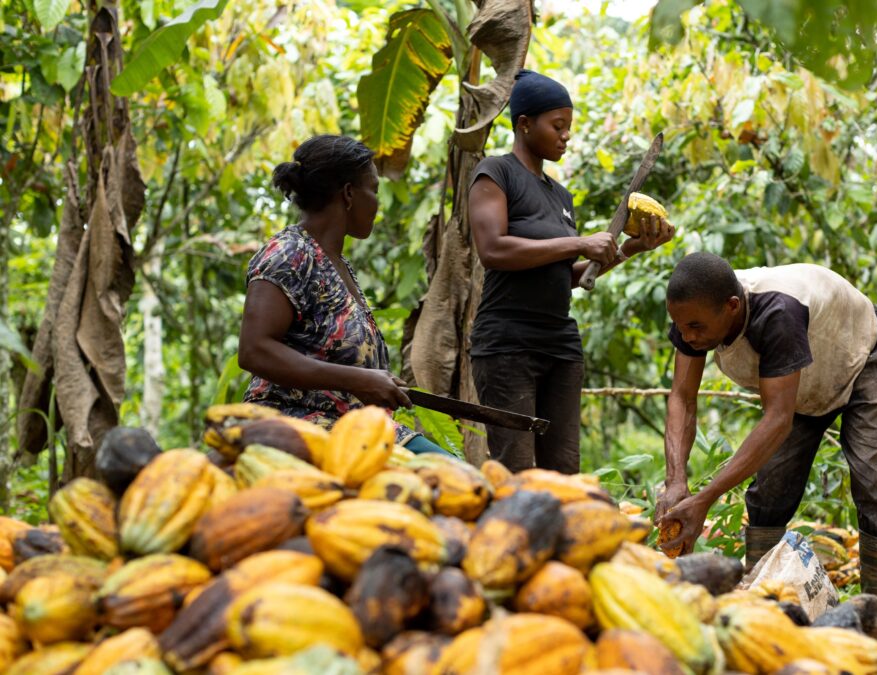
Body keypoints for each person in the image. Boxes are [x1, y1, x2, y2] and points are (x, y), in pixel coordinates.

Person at [655, 253, 877, 605]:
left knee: (871, 480)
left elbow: (777, 419)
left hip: (859, 354)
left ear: (732, 307)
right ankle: (761, 601)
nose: (685, 335)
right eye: (679, 325)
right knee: (771, 488)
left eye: (695, 327)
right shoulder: (695, 311)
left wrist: (704, 500)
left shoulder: (777, 312)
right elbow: (682, 398)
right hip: (797, 381)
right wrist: (676, 479)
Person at [468, 70, 674, 474]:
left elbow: (571, 275)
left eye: (568, 128)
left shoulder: (560, 196)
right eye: (557, 126)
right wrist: (580, 242)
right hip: (507, 344)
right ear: (524, 124)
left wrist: (631, 247)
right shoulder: (496, 173)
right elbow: (493, 250)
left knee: (563, 471)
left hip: (559, 344)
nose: (565, 136)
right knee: (516, 470)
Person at [238, 134, 449, 455]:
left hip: (356, 425)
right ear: (349, 194)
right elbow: (254, 350)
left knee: (455, 474)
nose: (378, 203)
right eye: (374, 190)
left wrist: (376, 382)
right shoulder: (289, 253)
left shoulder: (337, 263)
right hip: (298, 422)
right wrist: (357, 380)